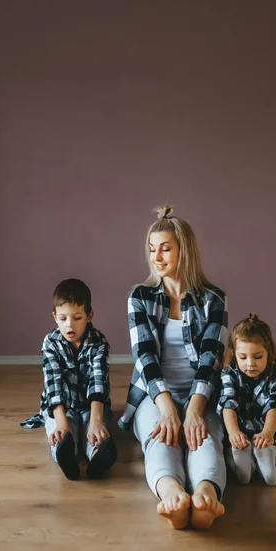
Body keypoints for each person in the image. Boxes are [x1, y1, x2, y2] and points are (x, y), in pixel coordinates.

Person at [118, 205, 228, 529]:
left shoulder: (214, 300)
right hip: (153, 395)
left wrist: (194, 410)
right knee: (161, 438)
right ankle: (172, 494)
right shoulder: (140, 297)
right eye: (152, 249)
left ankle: (207, 495)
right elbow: (144, 356)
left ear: (184, 251)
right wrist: (167, 408)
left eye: (165, 248)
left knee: (204, 437)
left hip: (201, 393)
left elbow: (212, 358)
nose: (157, 256)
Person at [21, 278, 117, 480]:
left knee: (94, 431)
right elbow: (53, 383)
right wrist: (61, 422)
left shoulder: (99, 342)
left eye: (77, 317)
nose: (69, 325)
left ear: (89, 316)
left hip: (91, 405)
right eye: (63, 318)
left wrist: (97, 421)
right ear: (55, 317)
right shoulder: (51, 343)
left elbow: (98, 380)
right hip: (60, 407)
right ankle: (67, 458)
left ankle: (99, 456)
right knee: (64, 434)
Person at [218, 313, 276, 486]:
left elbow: (273, 406)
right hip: (240, 427)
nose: (250, 364)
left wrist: (267, 433)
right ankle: (241, 458)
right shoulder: (229, 373)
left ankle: (269, 454)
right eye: (243, 357)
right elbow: (228, 403)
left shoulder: (275, 375)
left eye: (258, 357)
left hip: (264, 428)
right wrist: (233, 432)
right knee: (235, 447)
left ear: (269, 353)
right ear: (234, 353)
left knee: (270, 474)